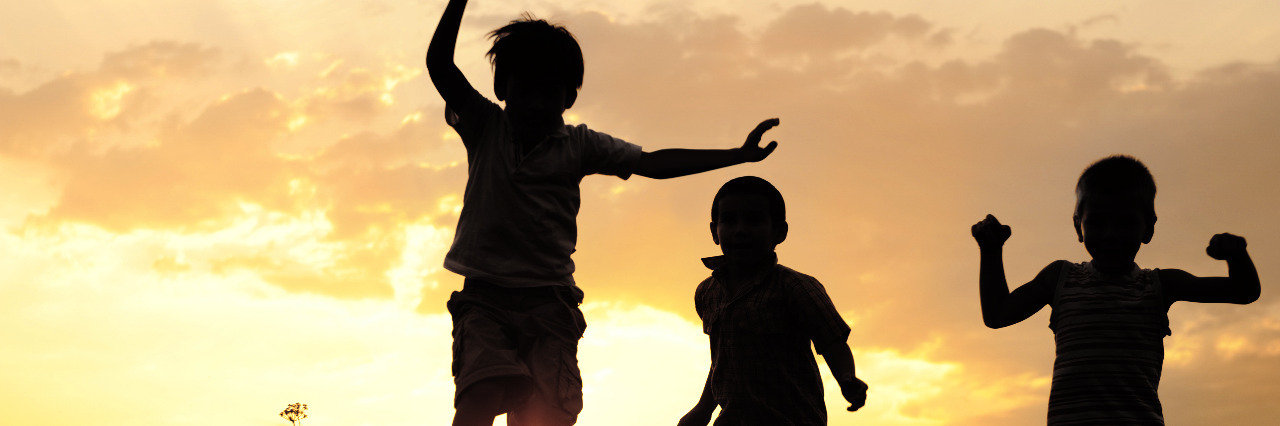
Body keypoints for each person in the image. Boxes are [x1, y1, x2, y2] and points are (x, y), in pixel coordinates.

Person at [425, 1, 782, 424]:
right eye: (525, 90)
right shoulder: (486, 127)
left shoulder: (579, 145)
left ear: (570, 95)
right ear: (502, 87)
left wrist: (736, 156)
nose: (537, 104)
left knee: (549, 414)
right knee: (479, 395)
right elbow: (440, 65)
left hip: (550, 304)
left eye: (549, 93)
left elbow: (652, 163)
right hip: (484, 298)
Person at [971, 155, 1261, 425]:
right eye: (1097, 222)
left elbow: (1243, 292)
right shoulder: (1060, 278)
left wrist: (1237, 256)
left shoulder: (1159, 286)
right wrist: (991, 250)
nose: (1110, 234)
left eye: (1125, 223)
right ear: (1078, 226)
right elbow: (998, 315)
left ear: (1148, 229)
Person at [680, 176, 868, 426]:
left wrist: (847, 379)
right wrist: (703, 409)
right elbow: (722, 361)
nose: (740, 230)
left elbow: (832, 342)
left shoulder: (796, 287)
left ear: (779, 232)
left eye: (754, 220)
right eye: (729, 220)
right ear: (715, 231)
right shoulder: (708, 292)